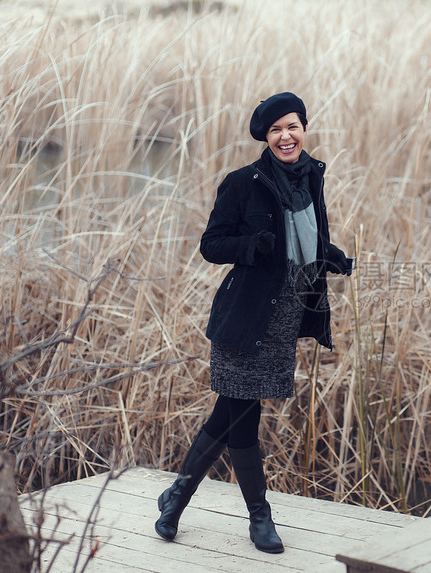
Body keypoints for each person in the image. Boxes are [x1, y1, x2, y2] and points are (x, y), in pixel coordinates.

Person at [154, 92, 353, 553]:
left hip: (284, 319)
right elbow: (212, 244)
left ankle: (176, 494)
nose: (286, 136)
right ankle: (256, 518)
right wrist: (253, 245)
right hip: (245, 319)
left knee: (229, 412)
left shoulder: (313, 177)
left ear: (304, 129)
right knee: (242, 418)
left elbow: (311, 236)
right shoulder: (243, 182)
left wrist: (333, 256)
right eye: (276, 129)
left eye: (293, 126)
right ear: (265, 136)